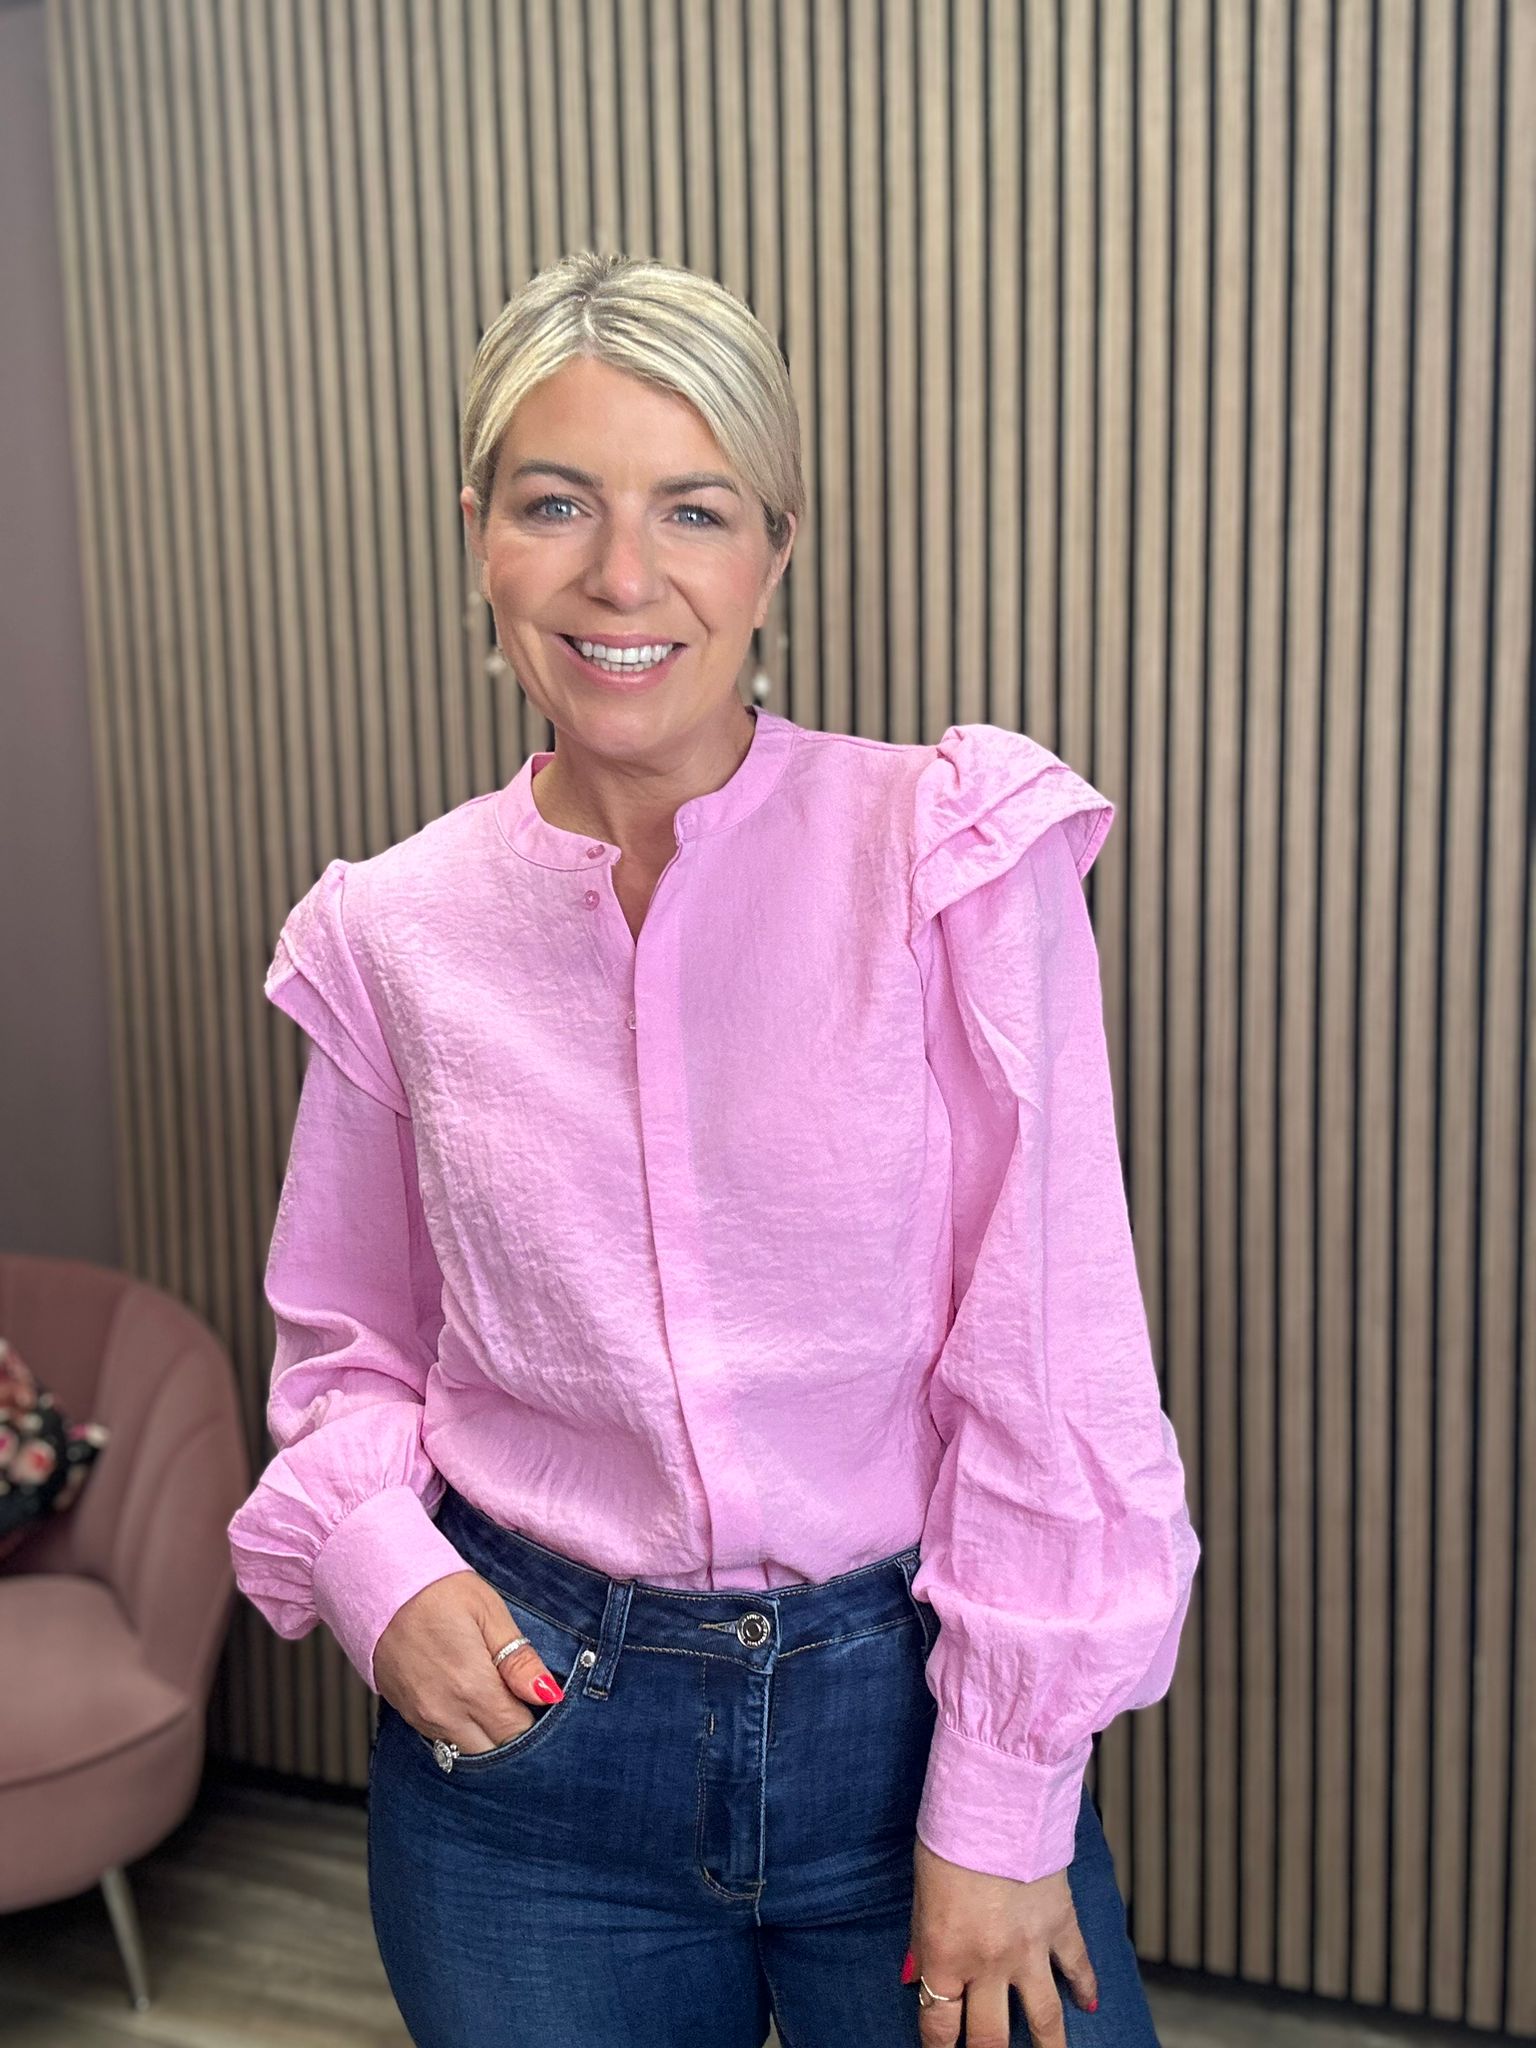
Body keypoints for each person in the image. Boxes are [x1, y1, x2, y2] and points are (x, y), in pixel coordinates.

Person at [227, 249, 1199, 2048]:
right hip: (525, 1758)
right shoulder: (393, 931)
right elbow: (349, 1348)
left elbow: (1055, 1356)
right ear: (478, 536)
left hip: (910, 1725)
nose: (624, 576)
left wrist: (1000, 1801)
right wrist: (377, 1568)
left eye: (694, 509)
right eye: (556, 504)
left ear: (775, 551)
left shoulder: (947, 858)